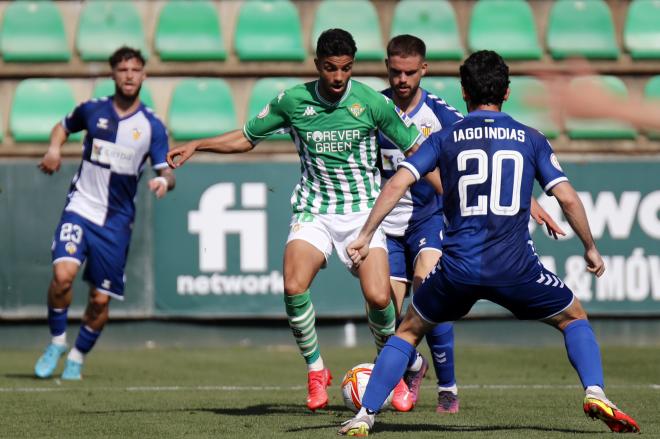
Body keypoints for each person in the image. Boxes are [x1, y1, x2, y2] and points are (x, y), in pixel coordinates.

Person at [339, 50, 639, 435]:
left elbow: (398, 182)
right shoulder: (530, 138)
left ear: (464, 92)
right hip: (515, 269)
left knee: (409, 330)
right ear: (507, 92)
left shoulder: (445, 137)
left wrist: (365, 235)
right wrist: (590, 247)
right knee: (573, 317)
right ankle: (596, 391)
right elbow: (565, 197)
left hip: (457, 269)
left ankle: (366, 415)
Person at [166, 29, 428, 412]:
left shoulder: (372, 102)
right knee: (293, 283)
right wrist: (197, 144)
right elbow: (246, 137)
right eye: (330, 68)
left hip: (363, 213)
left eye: (346, 69)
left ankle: (394, 369)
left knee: (377, 296)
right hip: (315, 209)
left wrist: (451, 190)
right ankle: (316, 371)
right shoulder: (293, 101)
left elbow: (415, 150)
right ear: (317, 64)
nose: (338, 77)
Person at [378, 35, 565, 414]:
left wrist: (527, 202)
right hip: (388, 223)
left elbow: (483, 158)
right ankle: (413, 367)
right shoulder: (373, 109)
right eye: (395, 71)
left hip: (429, 218)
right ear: (387, 68)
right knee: (382, 307)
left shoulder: (441, 114)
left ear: (423, 70)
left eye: (410, 72)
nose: (402, 79)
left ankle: (447, 388)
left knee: (427, 286)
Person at [34, 46, 175, 380]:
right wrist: (54, 149)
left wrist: (164, 183)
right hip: (81, 207)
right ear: (112, 74)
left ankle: (78, 357)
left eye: (136, 70)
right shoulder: (92, 110)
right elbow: (62, 126)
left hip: (115, 223)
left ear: (144, 75)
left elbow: (166, 169)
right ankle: (57, 342)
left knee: (99, 300)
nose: (129, 76)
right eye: (123, 69)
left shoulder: (152, 126)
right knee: (63, 276)